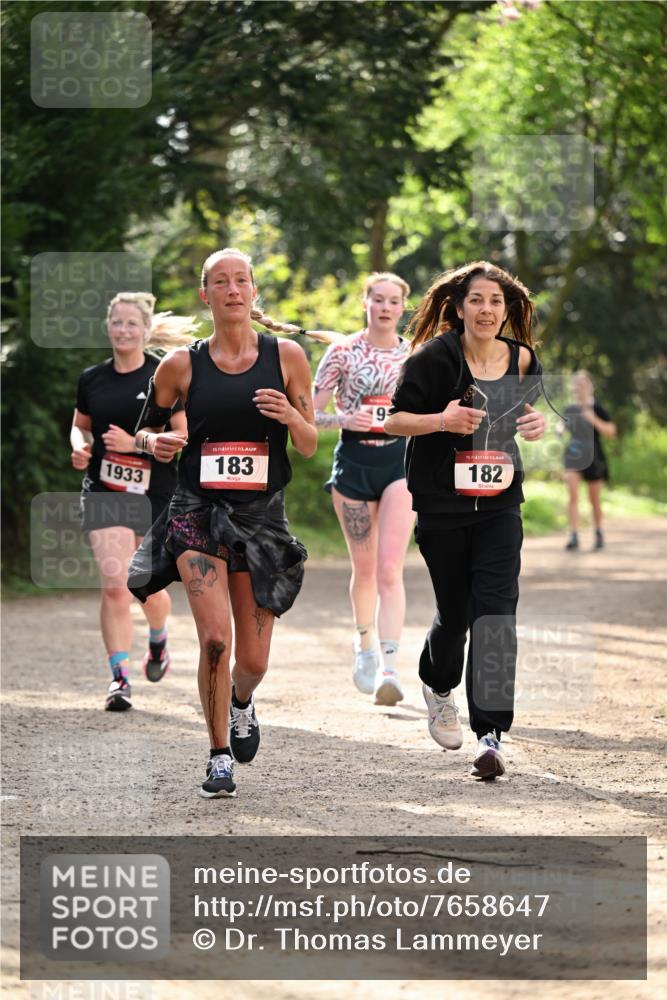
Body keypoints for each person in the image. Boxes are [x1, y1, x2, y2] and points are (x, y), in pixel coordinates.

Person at [128, 248, 317, 800]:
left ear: (254, 293)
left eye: (241, 281)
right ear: (204, 295)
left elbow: (307, 446)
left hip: (260, 519)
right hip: (196, 513)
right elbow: (144, 434)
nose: (232, 289)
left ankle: (241, 703)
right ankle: (216, 757)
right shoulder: (180, 366)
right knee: (215, 640)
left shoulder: (287, 357)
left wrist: (291, 417)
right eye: (220, 282)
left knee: (252, 661)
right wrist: (157, 442)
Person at [385, 261, 547, 779]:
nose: (487, 310)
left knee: (496, 613)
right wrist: (441, 421)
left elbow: (523, 418)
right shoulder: (435, 358)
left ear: (507, 309)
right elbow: (392, 420)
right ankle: (436, 684)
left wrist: (535, 422)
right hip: (442, 504)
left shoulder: (522, 361)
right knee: (456, 614)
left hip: (501, 502)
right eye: (477, 300)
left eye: (496, 302)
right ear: (459, 308)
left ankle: (491, 734)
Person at [71, 293, 195, 711]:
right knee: (114, 586)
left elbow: (181, 437)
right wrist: (80, 446)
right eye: (117, 323)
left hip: (155, 492)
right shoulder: (92, 379)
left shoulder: (162, 377)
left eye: (131, 324)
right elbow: (80, 427)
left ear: (145, 329)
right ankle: (119, 678)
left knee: (144, 586)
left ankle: (158, 636)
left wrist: (136, 442)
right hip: (105, 488)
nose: (123, 330)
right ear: (108, 327)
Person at [313, 273, 415, 706]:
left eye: (394, 301)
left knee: (391, 568)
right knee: (367, 568)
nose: (386, 307)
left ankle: (390, 668)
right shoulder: (341, 352)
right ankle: (364, 644)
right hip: (353, 465)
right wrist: (344, 419)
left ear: (402, 308)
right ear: (366, 302)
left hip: (400, 463)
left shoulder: (415, 355)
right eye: (379, 299)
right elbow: (307, 414)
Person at [561, 370, 616, 551]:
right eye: (577, 384)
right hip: (574, 455)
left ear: (590, 386)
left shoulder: (598, 408)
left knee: (594, 498)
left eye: (583, 384)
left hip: (595, 456)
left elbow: (610, 432)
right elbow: (562, 424)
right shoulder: (569, 409)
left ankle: (598, 532)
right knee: (573, 495)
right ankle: (574, 534)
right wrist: (559, 429)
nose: (580, 387)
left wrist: (593, 419)